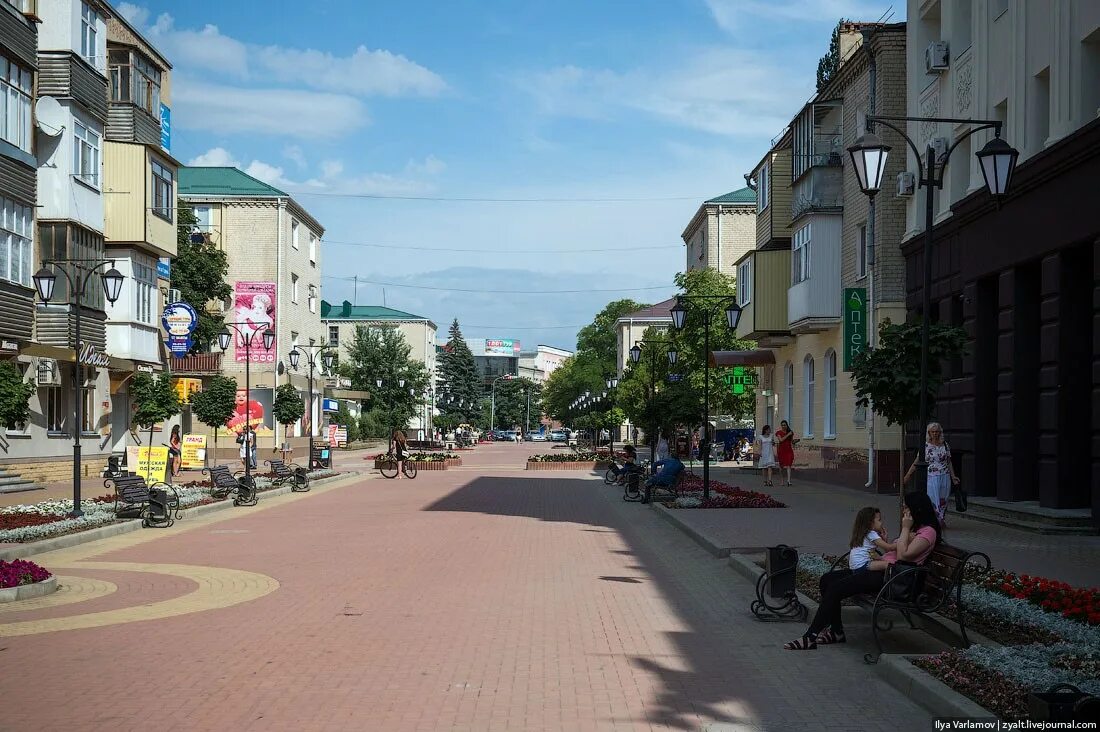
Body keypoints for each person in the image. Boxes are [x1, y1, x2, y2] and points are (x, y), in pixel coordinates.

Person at [784, 492, 941, 650]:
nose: (904, 511)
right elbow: (895, 551)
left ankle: (810, 637)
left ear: (917, 509)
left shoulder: (928, 532)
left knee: (835, 588)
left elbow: (903, 556)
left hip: (893, 579)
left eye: (906, 507)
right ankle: (836, 631)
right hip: (882, 570)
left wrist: (905, 529)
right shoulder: (916, 528)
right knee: (827, 580)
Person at [902, 422, 959, 525]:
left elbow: (949, 462)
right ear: (929, 432)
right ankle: (935, 521)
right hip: (932, 477)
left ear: (940, 432)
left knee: (943, 499)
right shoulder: (925, 446)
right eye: (932, 432)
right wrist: (908, 475)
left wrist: (953, 476)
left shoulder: (945, 445)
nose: (935, 434)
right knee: (933, 499)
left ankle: (941, 519)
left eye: (937, 431)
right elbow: (917, 461)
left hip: (945, 475)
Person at [848, 507, 896, 571]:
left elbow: (870, 552)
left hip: (855, 566)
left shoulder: (864, 533)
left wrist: (884, 539)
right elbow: (889, 547)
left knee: (882, 560)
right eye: (879, 520)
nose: (881, 523)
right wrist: (902, 542)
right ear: (870, 522)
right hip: (862, 564)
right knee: (888, 564)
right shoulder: (871, 533)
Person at [775, 420, 796, 486]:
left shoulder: (790, 432)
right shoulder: (779, 432)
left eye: (785, 425)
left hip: (789, 450)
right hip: (781, 450)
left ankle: (789, 481)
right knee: (781, 466)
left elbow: (792, 441)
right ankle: (782, 480)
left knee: (789, 465)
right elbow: (781, 440)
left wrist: (795, 441)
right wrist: (788, 434)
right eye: (782, 425)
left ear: (787, 425)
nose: (783, 426)